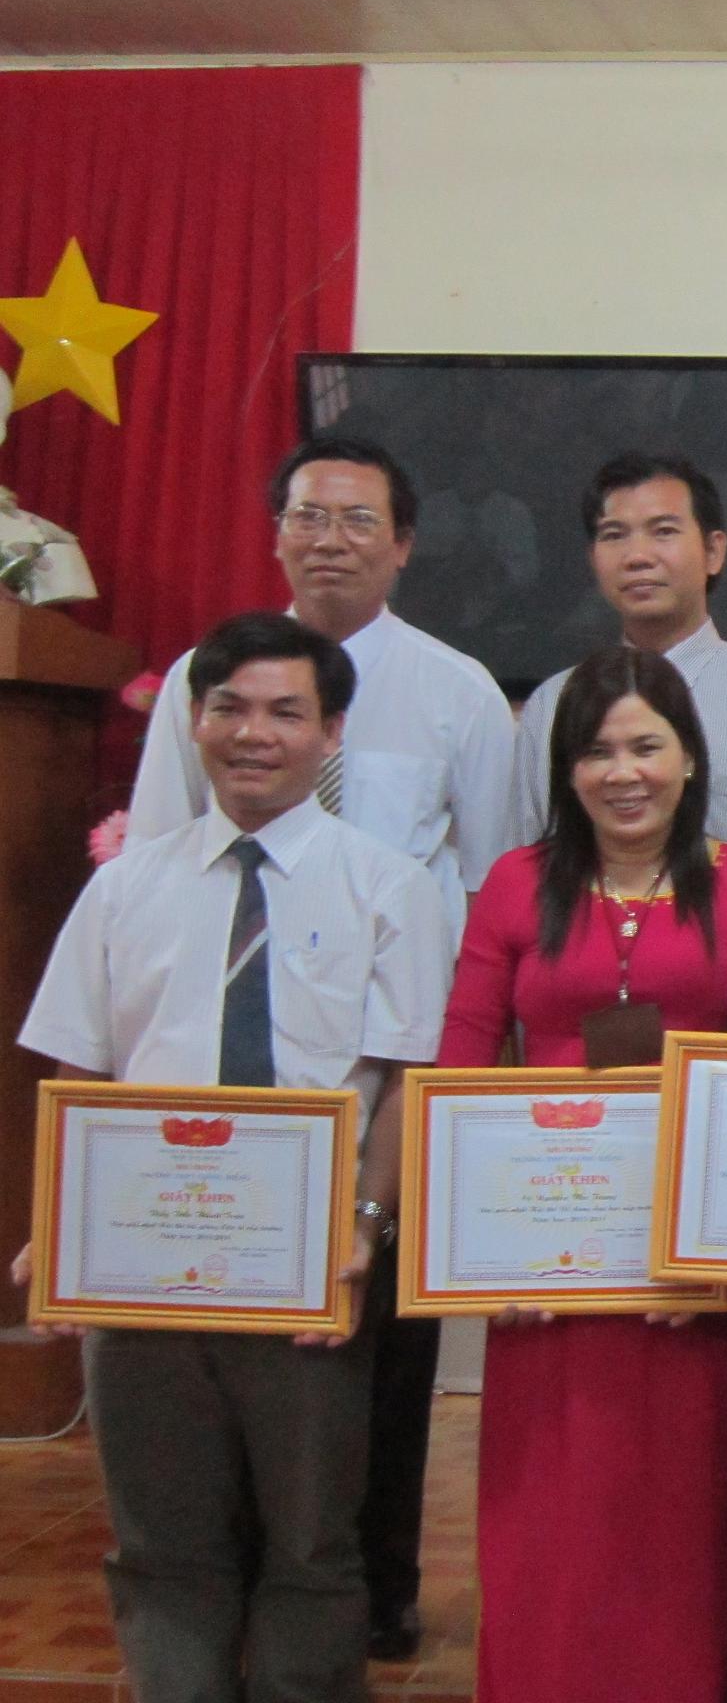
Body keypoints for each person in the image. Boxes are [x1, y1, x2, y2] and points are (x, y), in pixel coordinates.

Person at [122, 435, 518, 1658]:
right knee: (215, 1365)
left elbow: (492, 879)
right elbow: (158, 861)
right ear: (277, 532)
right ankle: (228, 1592)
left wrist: (456, 1076)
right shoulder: (211, 676)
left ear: (403, 543)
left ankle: (374, 1590)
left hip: (386, 1074)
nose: (330, 538)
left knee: (377, 1354)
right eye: (308, 515)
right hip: (223, 1083)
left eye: (357, 519)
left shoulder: (459, 690)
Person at [12, 611, 452, 1703]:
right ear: (196, 721)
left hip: (308, 1272)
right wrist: (59, 1232)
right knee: (161, 1543)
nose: (255, 733)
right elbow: (78, 1077)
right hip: (142, 1279)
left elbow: (402, 1083)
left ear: (330, 732)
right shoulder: (124, 889)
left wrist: (364, 1233)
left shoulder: (388, 887)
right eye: (231, 708)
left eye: (285, 712)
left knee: (313, 1546)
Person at [438, 645, 727, 1702]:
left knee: (679, 1527)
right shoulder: (516, 884)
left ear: (691, 759)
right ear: (567, 770)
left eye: (647, 746)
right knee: (553, 1525)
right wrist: (475, 1254)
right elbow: (462, 1059)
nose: (623, 772)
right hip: (549, 1276)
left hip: (694, 1282)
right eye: (596, 751)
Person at [517, 453, 727, 900]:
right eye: (614, 535)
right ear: (593, 559)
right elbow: (530, 878)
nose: (637, 557)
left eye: (663, 531)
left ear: (713, 551)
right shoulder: (552, 704)